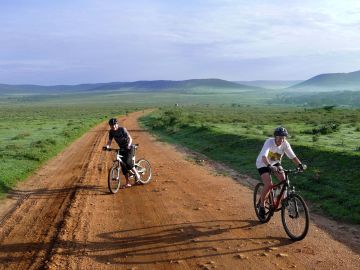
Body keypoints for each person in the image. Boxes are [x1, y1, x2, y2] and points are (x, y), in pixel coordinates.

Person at [256, 127, 306, 219]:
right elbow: (264, 156)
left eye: (284, 138)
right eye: (279, 137)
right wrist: (269, 166)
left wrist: (300, 165)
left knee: (284, 180)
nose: (281, 140)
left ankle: (284, 201)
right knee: (268, 184)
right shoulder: (269, 142)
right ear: (275, 137)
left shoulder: (285, 144)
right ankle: (262, 206)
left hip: (275, 163)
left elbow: (292, 156)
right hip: (263, 163)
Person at [103, 118, 140, 188]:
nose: (113, 126)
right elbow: (110, 141)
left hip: (129, 147)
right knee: (123, 166)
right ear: (110, 126)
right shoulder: (111, 132)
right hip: (122, 148)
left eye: (114, 125)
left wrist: (128, 145)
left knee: (127, 162)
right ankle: (128, 182)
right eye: (111, 125)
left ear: (117, 124)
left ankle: (137, 174)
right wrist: (107, 146)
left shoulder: (122, 129)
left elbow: (130, 138)